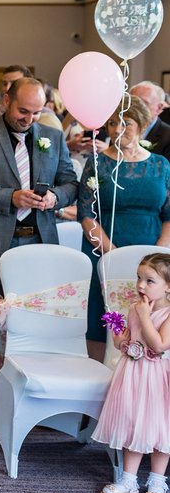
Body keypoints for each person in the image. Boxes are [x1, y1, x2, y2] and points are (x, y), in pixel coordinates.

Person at [0, 77, 78, 422]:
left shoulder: (52, 137)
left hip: (38, 243)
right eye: (24, 110)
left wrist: (56, 198)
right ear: (7, 100)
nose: (29, 118)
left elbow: (70, 183)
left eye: (37, 112)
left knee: (34, 321)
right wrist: (10, 197)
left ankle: (29, 393)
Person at [77, 95, 170, 351]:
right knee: (104, 317)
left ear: (141, 124)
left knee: (152, 315)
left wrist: (158, 255)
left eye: (125, 122)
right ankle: (100, 372)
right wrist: (113, 254)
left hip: (151, 248)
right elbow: (87, 214)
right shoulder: (96, 164)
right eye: (111, 123)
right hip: (106, 246)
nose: (117, 129)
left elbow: (169, 215)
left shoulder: (161, 165)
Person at [92, 252, 170, 493]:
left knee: (160, 427)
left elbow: (159, 345)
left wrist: (145, 317)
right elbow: (124, 343)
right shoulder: (134, 308)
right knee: (132, 423)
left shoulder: (168, 314)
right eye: (139, 278)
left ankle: (157, 481)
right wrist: (118, 332)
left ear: (168, 287)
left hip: (157, 377)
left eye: (150, 281)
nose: (140, 285)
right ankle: (128, 479)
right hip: (132, 374)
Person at [129, 81, 170, 160]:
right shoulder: (120, 130)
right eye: (132, 102)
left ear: (159, 108)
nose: (135, 109)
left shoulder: (167, 137)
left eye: (143, 103)